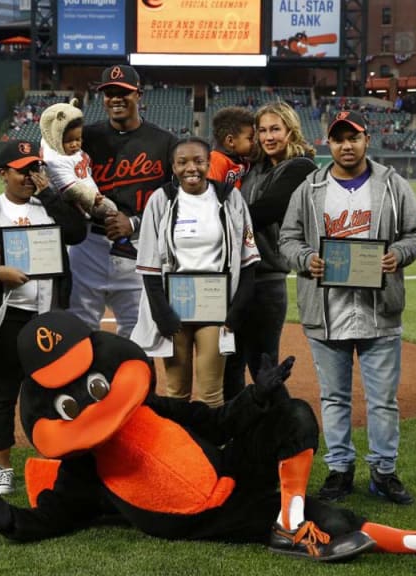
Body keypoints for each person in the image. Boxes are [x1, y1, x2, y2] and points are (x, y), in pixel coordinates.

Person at [0, 311, 416, 566]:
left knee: (293, 413)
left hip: (230, 473)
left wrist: (257, 396)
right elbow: (57, 515)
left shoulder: (148, 402)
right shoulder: (82, 467)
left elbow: (214, 423)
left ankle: (289, 520)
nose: (94, 401)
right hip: (206, 517)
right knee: (337, 523)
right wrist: (14, 522)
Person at [279, 111, 416, 505]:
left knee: (382, 400)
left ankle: (383, 471)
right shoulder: (310, 188)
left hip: (379, 309)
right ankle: (340, 470)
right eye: (339, 138)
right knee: (334, 397)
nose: (347, 145)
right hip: (326, 310)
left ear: (366, 141)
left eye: (354, 138)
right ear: (328, 144)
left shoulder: (393, 185)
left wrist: (398, 253)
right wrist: (305, 258)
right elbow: (287, 239)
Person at [0, 140, 87, 496]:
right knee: (2, 393)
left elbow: (78, 232)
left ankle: (55, 460)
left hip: (47, 316)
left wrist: (51, 197)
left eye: (35, 169)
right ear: (3, 174)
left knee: (54, 391)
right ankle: (3, 467)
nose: (31, 177)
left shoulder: (49, 205)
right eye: (22, 170)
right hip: (4, 316)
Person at [130, 137, 260, 407]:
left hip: (215, 306)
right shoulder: (161, 199)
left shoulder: (229, 197)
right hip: (175, 306)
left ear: (209, 163)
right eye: (182, 162)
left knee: (212, 393)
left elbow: (248, 261)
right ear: (173, 167)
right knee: (176, 391)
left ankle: (214, 449)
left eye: (198, 161)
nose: (191, 168)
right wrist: (161, 312)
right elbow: (149, 264)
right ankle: (181, 449)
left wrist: (236, 310)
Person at [68, 64, 179, 338]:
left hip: (139, 245)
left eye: (124, 92)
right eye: (109, 93)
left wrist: (134, 222)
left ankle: (133, 382)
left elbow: (176, 199)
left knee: (137, 334)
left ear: (138, 95)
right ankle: (87, 383)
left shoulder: (164, 142)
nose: (116, 98)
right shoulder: (86, 139)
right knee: (80, 330)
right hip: (88, 244)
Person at [225, 101, 317, 401]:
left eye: (275, 129)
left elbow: (267, 210)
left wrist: (215, 221)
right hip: (237, 279)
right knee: (230, 364)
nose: (268, 137)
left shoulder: (301, 167)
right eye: (262, 130)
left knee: (263, 367)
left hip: (266, 281)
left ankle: (282, 433)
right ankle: (235, 432)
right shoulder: (256, 169)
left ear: (290, 131)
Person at [38, 99, 120, 224]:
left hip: (88, 190)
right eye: (69, 141)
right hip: (77, 202)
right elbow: (70, 189)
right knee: (110, 210)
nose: (75, 144)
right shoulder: (54, 160)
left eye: (78, 139)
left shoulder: (68, 151)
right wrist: (91, 197)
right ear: (56, 138)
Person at [207, 106, 255, 189]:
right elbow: (211, 192)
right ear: (230, 141)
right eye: (250, 138)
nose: (253, 142)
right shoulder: (216, 160)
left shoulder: (241, 158)